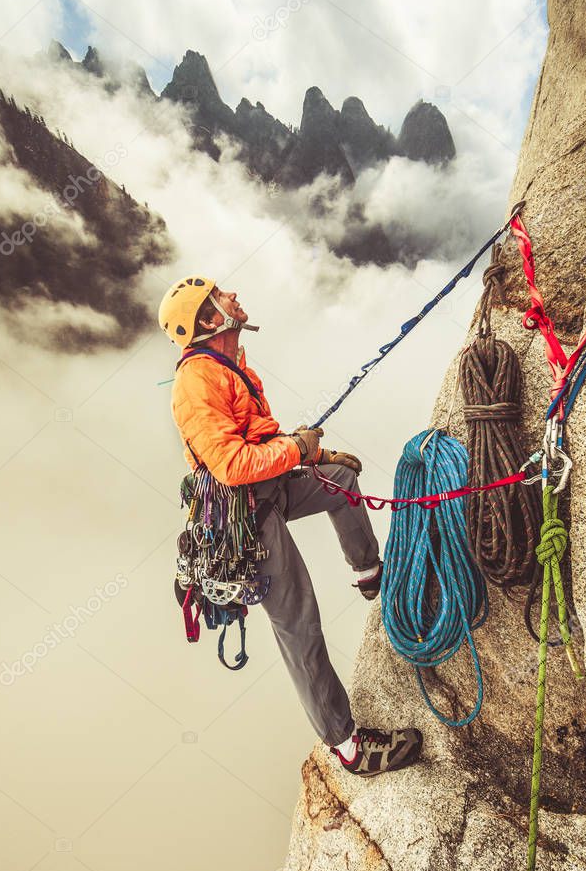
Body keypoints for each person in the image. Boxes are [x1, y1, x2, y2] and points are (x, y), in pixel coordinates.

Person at [158, 275, 423, 777]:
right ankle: (346, 746)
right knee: (298, 621)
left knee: (340, 477)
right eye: (221, 296)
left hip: (268, 488)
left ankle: (370, 574)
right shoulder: (196, 382)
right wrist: (300, 450)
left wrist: (317, 455)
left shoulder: (230, 365)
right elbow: (233, 465)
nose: (234, 295)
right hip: (246, 518)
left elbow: (264, 442)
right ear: (210, 320)